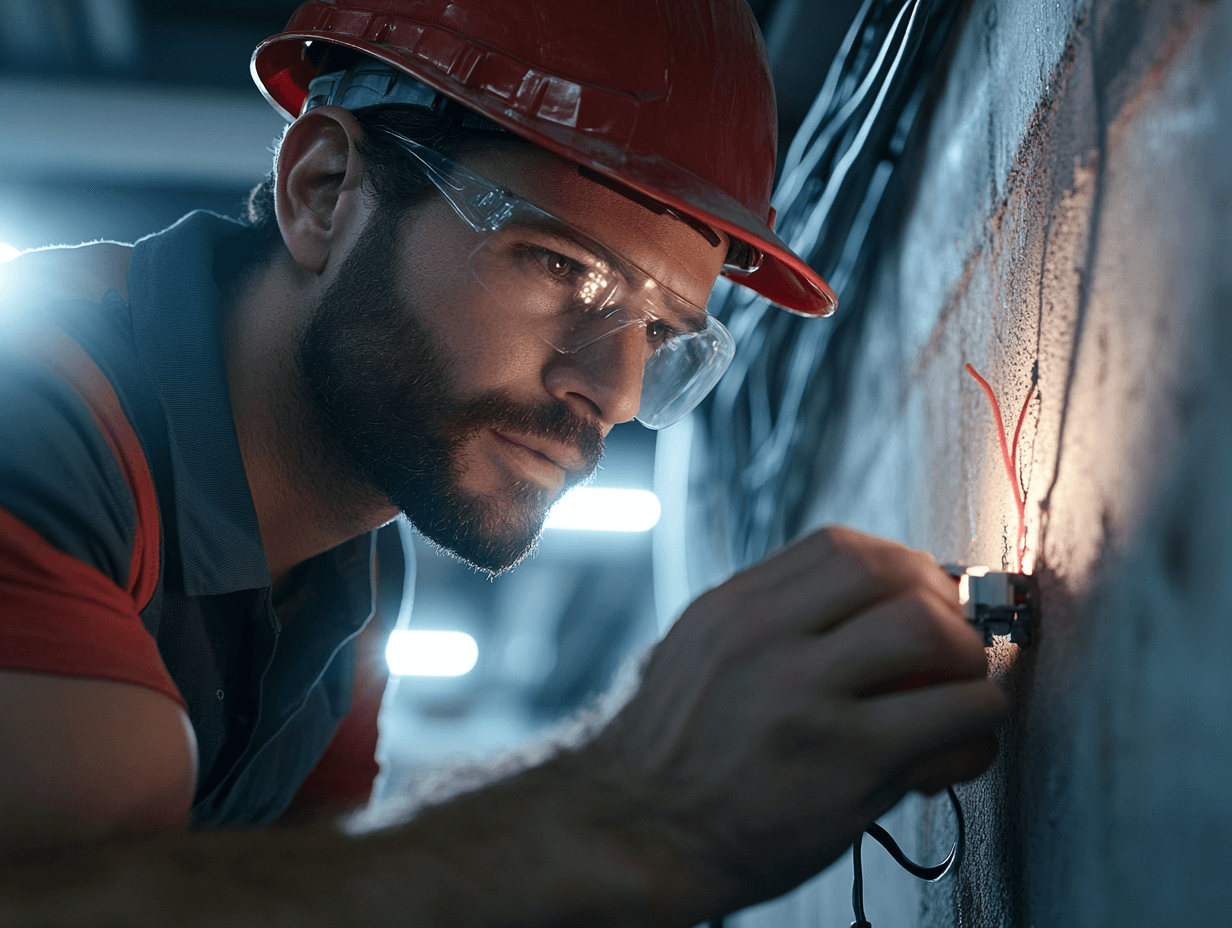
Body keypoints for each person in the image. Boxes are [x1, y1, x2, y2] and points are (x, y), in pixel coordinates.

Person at [0, 1, 1006, 924]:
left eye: (660, 334)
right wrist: (624, 810)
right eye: (562, 265)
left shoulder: (354, 555)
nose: (611, 393)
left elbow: (309, 881)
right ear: (325, 191)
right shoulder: (36, 426)